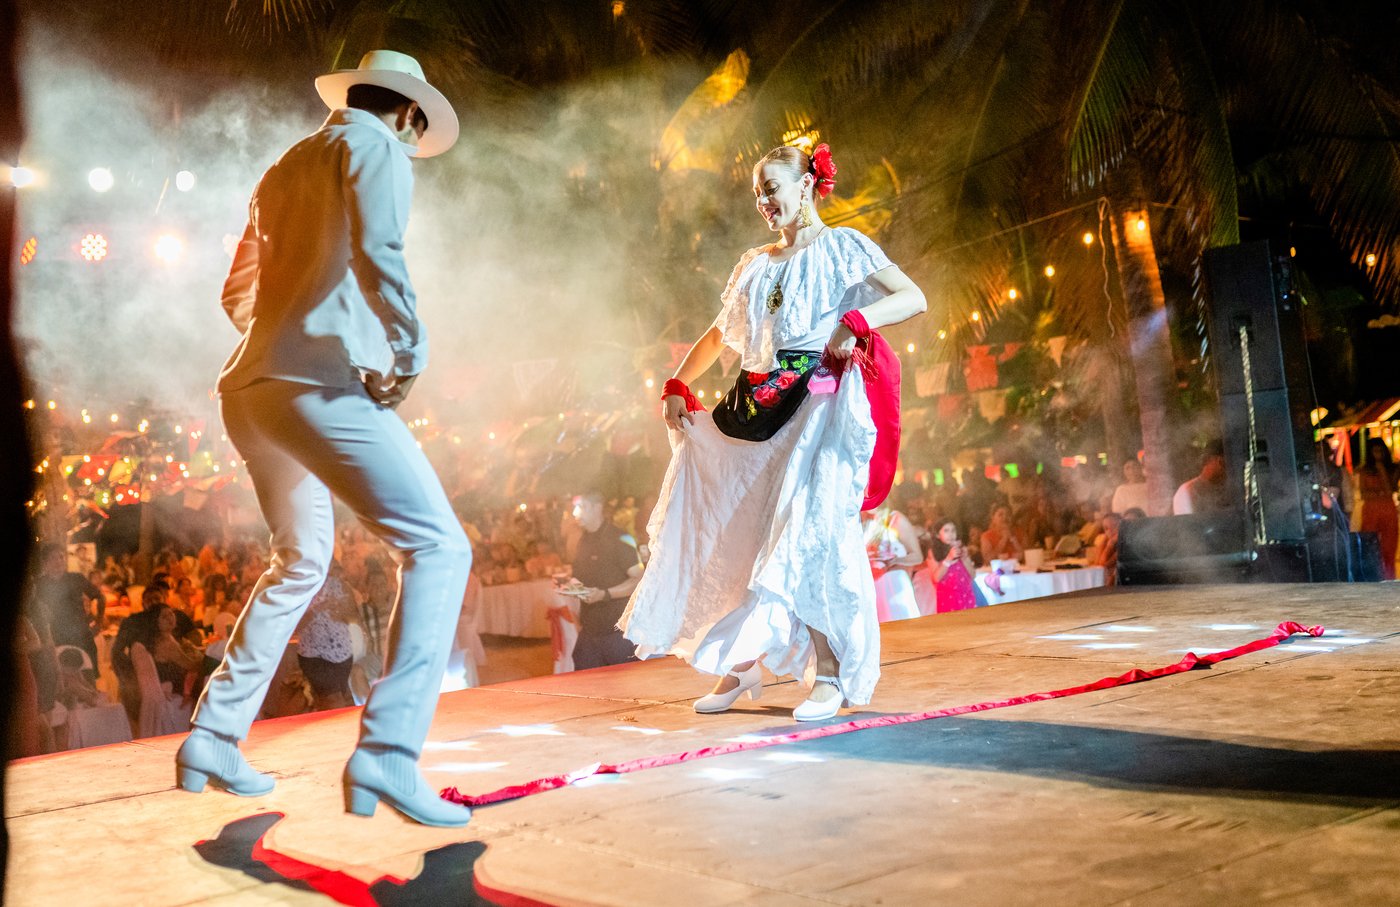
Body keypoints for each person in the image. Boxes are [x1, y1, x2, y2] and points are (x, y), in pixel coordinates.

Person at [175, 50, 474, 829]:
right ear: (408, 114)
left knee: (301, 560)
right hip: (314, 385)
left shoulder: (286, 162)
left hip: (250, 390)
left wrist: (281, 340)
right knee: (441, 547)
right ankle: (389, 754)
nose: (414, 148)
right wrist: (406, 353)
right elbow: (381, 253)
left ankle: (212, 734)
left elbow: (235, 290)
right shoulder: (374, 147)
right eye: (418, 132)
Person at [620, 141, 927, 721]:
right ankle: (741, 668)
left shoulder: (845, 247)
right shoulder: (754, 264)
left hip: (820, 407)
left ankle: (830, 674)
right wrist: (676, 386)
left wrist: (857, 321)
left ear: (808, 184)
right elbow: (718, 336)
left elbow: (912, 297)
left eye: (773, 188)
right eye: (758, 192)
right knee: (740, 535)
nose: (764, 200)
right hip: (755, 407)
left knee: (807, 534)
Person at [571, 493, 642, 670]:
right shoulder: (583, 540)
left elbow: (639, 579)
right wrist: (570, 587)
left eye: (581, 507)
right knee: (587, 688)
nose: (575, 513)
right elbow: (582, 578)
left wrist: (605, 594)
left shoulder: (619, 538)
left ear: (597, 507)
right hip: (590, 629)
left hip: (618, 632)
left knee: (628, 690)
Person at [295, 560, 359, 711]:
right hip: (312, 654)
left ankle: (333, 729)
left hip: (341, 653)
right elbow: (294, 626)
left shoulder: (340, 586)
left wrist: (341, 611)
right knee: (331, 698)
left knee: (334, 698)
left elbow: (354, 618)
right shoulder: (301, 588)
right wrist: (317, 610)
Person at [30, 544, 103, 675]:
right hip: (56, 639)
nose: (59, 561)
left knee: (89, 679)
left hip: (82, 637)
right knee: (64, 682)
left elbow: (100, 597)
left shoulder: (76, 578)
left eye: (61, 557)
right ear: (45, 563)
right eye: (53, 558)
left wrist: (99, 622)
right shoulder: (39, 585)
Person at [863, 506, 923, 622]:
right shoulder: (854, 520)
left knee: (902, 625)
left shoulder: (894, 518)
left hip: (894, 584)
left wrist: (896, 561)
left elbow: (917, 556)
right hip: (869, 587)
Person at [1358, 440, 1398, 580]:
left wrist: (1381, 468)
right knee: (1370, 546)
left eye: (1380, 451)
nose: (1378, 455)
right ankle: (1372, 578)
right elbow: (1363, 493)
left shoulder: (1393, 468)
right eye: (1375, 451)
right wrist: (1379, 493)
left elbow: (1389, 490)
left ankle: (1389, 579)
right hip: (1371, 510)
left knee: (1389, 548)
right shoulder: (1364, 470)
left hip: (1387, 509)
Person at [927, 519, 977, 612]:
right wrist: (948, 559)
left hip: (966, 594)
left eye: (953, 530)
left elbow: (973, 575)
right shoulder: (934, 552)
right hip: (948, 598)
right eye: (946, 531)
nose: (950, 534)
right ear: (938, 535)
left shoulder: (961, 548)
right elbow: (936, 578)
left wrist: (965, 558)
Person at [1172, 442, 1229, 515]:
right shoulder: (1187, 491)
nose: (1226, 469)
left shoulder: (1227, 490)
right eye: (1222, 463)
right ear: (1208, 460)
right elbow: (1187, 524)